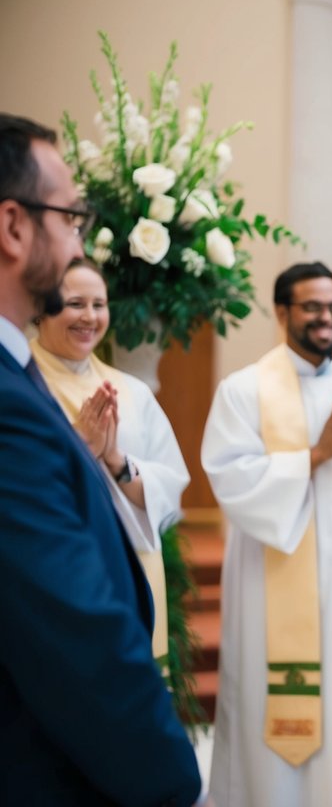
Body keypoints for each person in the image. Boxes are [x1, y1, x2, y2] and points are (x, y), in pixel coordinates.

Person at [0, 113, 201, 804]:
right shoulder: (14, 396)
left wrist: (118, 467)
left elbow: (171, 484)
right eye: (72, 214)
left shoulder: (110, 389)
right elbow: (69, 628)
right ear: (13, 228)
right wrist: (175, 785)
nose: (81, 231)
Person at [201, 262, 332, 807]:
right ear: (282, 313)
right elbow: (230, 479)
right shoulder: (243, 390)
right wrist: (314, 455)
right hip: (271, 587)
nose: (327, 318)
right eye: (313, 307)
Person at [32, 258, 191, 678]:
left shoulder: (132, 392)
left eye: (99, 304)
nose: (90, 317)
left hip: (132, 571)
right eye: (75, 303)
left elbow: (170, 489)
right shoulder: (20, 385)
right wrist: (81, 446)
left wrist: (117, 461)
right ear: (41, 308)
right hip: (54, 575)